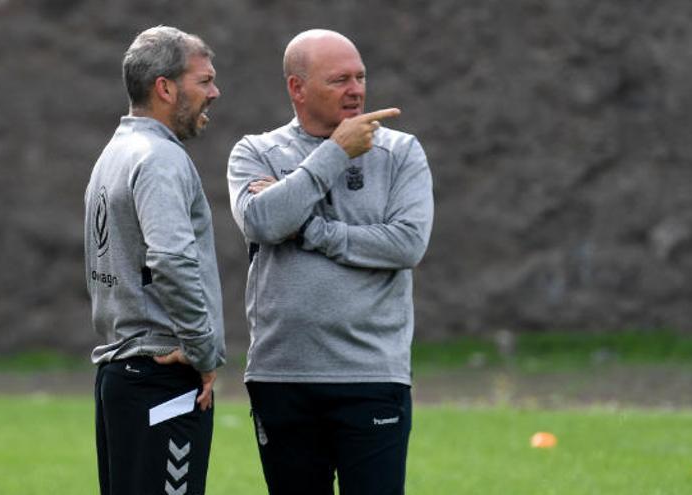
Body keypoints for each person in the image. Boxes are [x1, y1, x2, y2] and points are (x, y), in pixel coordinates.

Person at [227, 29, 434, 495]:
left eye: (360, 76)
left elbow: (406, 245)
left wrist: (310, 230)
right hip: (282, 375)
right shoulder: (255, 152)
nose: (356, 89)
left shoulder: (401, 153)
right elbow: (261, 221)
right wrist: (335, 153)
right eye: (339, 79)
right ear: (297, 88)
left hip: (371, 374)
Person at [84, 25, 225, 495]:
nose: (214, 92)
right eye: (203, 81)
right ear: (165, 87)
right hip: (161, 377)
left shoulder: (114, 153)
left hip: (122, 377)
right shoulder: (160, 159)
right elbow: (171, 261)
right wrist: (203, 351)